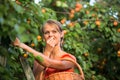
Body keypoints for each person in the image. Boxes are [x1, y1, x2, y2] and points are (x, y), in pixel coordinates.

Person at [13, 19, 84, 80]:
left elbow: (48, 63)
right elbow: (36, 78)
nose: (50, 35)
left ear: (61, 34)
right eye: (47, 32)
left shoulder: (69, 58)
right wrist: (47, 52)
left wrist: (22, 45)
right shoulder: (37, 61)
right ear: (43, 37)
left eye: (54, 31)